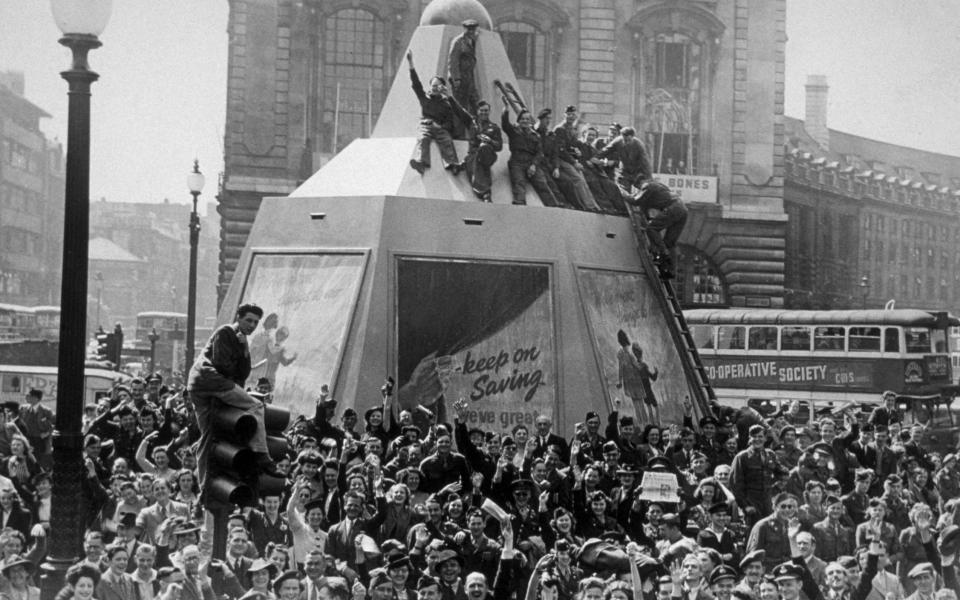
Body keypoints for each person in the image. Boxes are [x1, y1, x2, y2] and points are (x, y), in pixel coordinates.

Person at [187, 303, 279, 498]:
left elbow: (242, 372)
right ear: (238, 317)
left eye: (255, 322)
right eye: (248, 320)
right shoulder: (227, 332)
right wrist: (241, 350)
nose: (252, 325)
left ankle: (203, 487)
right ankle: (262, 453)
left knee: (207, 436)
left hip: (197, 384)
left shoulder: (240, 338)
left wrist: (243, 350)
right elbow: (226, 367)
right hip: (212, 381)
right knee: (255, 405)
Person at [406, 49, 472, 176]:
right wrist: (411, 64)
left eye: (438, 86)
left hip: (440, 127)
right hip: (426, 125)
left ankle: (453, 164)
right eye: (433, 85)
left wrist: (441, 126)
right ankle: (421, 162)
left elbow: (449, 122)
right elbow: (416, 83)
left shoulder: (446, 103)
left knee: (446, 140)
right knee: (423, 138)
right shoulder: (424, 97)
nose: (435, 88)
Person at [500, 101, 560, 206]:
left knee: (542, 184)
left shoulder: (535, 135)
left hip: (531, 163)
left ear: (530, 122)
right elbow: (505, 124)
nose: (525, 121)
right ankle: (520, 204)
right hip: (517, 162)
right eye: (522, 119)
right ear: (518, 120)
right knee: (519, 183)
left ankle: (553, 207)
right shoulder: (514, 131)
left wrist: (533, 165)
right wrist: (506, 109)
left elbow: (539, 153)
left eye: (527, 119)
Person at [460, 100, 502, 201]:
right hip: (474, 154)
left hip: (488, 154)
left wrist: (490, 141)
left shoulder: (494, 127)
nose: (484, 113)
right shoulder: (472, 123)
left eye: (486, 110)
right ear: (477, 111)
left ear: (489, 111)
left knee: (483, 147)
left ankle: (484, 192)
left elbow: (499, 146)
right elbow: (459, 111)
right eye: (481, 110)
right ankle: (486, 194)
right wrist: (449, 97)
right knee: (477, 166)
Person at [595, 126, 653, 195]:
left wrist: (648, 178)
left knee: (646, 190)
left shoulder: (639, 145)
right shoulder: (618, 141)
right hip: (624, 172)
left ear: (632, 137)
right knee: (623, 194)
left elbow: (645, 163)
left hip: (637, 173)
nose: (626, 143)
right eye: (624, 140)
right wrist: (595, 158)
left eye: (629, 140)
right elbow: (605, 150)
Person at [447, 19, 480, 116]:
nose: (471, 32)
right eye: (468, 29)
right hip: (460, 78)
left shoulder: (473, 40)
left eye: (473, 29)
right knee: (460, 106)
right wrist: (456, 79)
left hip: (469, 77)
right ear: (464, 29)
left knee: (474, 103)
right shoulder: (458, 42)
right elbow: (453, 61)